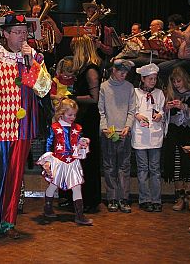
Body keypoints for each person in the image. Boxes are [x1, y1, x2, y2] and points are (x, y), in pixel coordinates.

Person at [0, 13, 51, 244]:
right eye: (17, 32)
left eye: (25, 32)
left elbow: (44, 89)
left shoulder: (34, 58)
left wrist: (33, 64)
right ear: (5, 34)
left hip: (22, 129)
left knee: (15, 180)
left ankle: (8, 223)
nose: (22, 36)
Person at [36, 98, 93, 225]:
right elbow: (49, 143)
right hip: (58, 161)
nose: (73, 117)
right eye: (70, 114)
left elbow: (78, 142)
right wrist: (47, 161)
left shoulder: (77, 128)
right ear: (62, 113)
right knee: (53, 185)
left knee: (77, 186)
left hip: (72, 162)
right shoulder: (54, 127)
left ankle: (79, 215)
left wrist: (82, 143)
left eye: (74, 115)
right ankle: (48, 208)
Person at [70, 34, 102, 212]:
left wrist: (72, 97)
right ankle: (79, 198)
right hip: (82, 117)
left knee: (87, 159)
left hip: (88, 118)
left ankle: (90, 199)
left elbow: (94, 98)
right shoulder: (83, 70)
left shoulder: (91, 70)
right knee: (78, 159)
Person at [98, 59, 135, 213]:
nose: (124, 75)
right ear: (113, 70)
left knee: (124, 167)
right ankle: (112, 197)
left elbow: (131, 110)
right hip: (109, 133)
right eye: (121, 71)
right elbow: (101, 111)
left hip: (124, 133)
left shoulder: (129, 87)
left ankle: (124, 198)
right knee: (109, 166)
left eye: (126, 73)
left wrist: (127, 126)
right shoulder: (104, 87)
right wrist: (104, 128)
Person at [163, 67, 190, 212]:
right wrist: (166, 109)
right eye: (174, 82)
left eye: (179, 81)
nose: (177, 84)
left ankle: (189, 197)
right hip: (173, 132)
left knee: (188, 163)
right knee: (176, 164)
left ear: (185, 80)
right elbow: (162, 116)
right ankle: (179, 197)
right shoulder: (170, 95)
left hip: (186, 132)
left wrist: (183, 106)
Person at [131, 63, 165, 212]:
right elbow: (131, 110)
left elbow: (162, 110)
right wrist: (137, 115)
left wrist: (160, 115)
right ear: (143, 79)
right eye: (150, 78)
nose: (153, 81)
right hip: (140, 136)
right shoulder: (135, 93)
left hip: (155, 137)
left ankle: (156, 199)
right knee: (143, 168)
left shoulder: (159, 93)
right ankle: (144, 199)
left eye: (155, 78)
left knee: (155, 169)